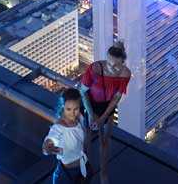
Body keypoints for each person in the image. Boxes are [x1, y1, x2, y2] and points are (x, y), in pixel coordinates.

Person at [79, 42, 130, 184]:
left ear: (122, 62)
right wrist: (90, 114)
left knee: (105, 139)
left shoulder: (126, 73)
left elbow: (117, 97)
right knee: (86, 138)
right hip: (90, 103)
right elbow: (82, 91)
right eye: (108, 63)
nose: (110, 68)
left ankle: (103, 172)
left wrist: (102, 117)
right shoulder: (94, 68)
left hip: (107, 106)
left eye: (115, 66)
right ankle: (84, 168)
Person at [43, 87, 88, 183]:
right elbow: (46, 147)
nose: (73, 113)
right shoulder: (58, 128)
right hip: (66, 176)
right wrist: (56, 150)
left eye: (76, 109)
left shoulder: (80, 117)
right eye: (68, 109)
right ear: (63, 107)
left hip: (82, 168)